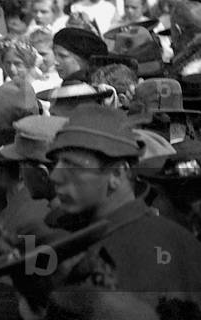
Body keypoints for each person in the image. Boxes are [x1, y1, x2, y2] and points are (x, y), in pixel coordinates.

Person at [47, 105, 201, 305]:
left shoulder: (119, 255)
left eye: (73, 166)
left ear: (117, 174)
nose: (55, 176)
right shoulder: (179, 238)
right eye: (56, 164)